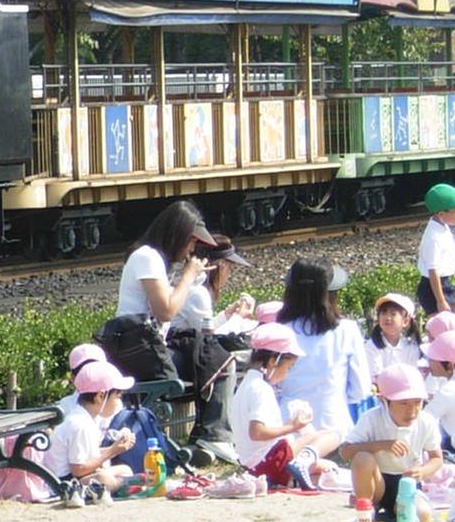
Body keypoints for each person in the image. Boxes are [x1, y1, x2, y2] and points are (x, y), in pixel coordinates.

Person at [228, 323, 342, 489]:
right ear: (274, 360)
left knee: (329, 468)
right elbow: (257, 433)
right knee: (331, 436)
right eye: (289, 367)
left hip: (254, 465)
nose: (287, 374)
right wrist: (292, 426)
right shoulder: (261, 389)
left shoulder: (247, 384)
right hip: (269, 460)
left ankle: (293, 475)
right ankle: (299, 465)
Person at [340, 363, 443, 522]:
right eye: (403, 403)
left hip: (407, 484)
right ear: (384, 400)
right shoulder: (371, 418)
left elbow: (437, 458)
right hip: (377, 482)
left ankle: (397, 511)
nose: (412, 410)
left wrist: (422, 471)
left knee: (423, 515)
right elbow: (345, 452)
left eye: (417, 402)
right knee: (362, 458)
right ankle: (367, 509)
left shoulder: (426, 421)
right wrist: (381, 445)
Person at [273, 259, 369, 435]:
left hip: (288, 428)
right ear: (330, 293)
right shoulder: (347, 330)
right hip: (334, 427)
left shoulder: (277, 331)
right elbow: (360, 389)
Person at [41, 360, 136, 506]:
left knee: (125, 469)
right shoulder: (80, 424)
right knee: (105, 479)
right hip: (63, 483)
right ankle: (127, 486)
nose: (118, 403)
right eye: (117, 397)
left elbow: (88, 455)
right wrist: (113, 450)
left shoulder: (84, 417)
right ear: (100, 396)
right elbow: (78, 469)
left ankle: (124, 485)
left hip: (74, 475)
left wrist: (117, 448)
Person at [116, 201, 217, 330]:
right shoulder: (147, 257)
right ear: (176, 236)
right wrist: (188, 276)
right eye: (191, 241)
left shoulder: (154, 259)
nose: (192, 249)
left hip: (146, 342)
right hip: (134, 344)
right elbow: (165, 313)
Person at [170, 236, 254, 337]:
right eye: (229, 268)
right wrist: (238, 319)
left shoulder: (190, 286)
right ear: (219, 266)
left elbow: (205, 328)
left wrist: (226, 315)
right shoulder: (197, 293)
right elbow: (211, 341)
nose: (229, 274)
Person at [418, 183, 455, 315]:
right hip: (434, 289)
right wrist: (440, 301)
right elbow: (433, 271)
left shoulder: (440, 225)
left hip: (444, 285)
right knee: (440, 327)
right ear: (441, 214)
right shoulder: (434, 237)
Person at [423, 330, 455, 457]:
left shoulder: (449, 390)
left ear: (449, 365)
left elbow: (425, 420)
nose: (429, 362)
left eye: (432, 359)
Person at [365, 293, 423, 382]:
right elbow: (375, 377)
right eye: (384, 312)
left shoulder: (412, 347)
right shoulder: (371, 346)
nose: (387, 318)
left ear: (405, 321)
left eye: (393, 314)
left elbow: (414, 376)